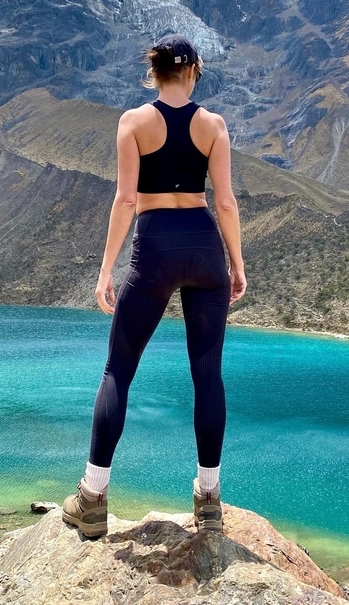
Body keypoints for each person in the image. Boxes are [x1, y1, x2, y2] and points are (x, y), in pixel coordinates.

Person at [61, 33, 246, 538]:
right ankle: (208, 501)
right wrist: (236, 263)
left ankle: (93, 498)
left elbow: (124, 200)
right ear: (192, 73)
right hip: (205, 246)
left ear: (154, 72)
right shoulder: (214, 126)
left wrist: (105, 270)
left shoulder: (134, 123)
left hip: (156, 245)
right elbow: (225, 201)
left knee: (119, 369)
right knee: (207, 375)